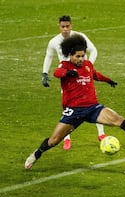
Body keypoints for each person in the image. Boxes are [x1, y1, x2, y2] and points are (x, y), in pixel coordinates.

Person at [25, 34, 125, 170]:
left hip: (93, 108)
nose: (81, 59)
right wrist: (67, 73)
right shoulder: (65, 65)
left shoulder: (87, 65)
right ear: (70, 55)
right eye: (77, 56)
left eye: (83, 56)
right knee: (54, 140)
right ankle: (36, 154)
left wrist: (108, 80)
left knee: (117, 119)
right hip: (74, 111)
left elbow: (95, 74)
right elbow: (56, 72)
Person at [41, 15, 106, 150]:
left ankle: (101, 134)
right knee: (67, 108)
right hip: (68, 80)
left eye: (67, 26)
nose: (65, 29)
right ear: (59, 27)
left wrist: (88, 67)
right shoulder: (54, 42)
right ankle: (66, 138)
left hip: (83, 80)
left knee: (94, 104)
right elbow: (49, 56)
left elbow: (93, 50)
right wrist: (44, 73)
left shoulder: (80, 37)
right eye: (62, 26)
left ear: (72, 25)